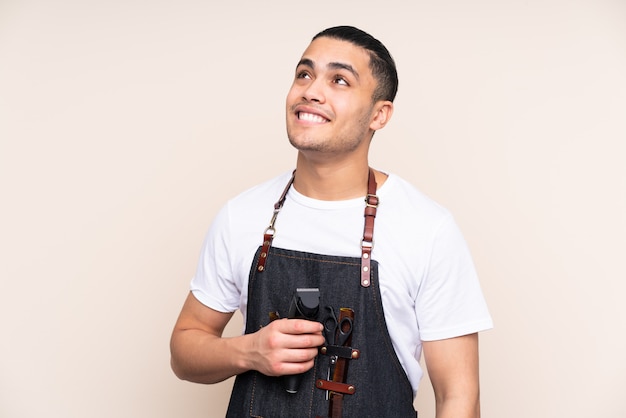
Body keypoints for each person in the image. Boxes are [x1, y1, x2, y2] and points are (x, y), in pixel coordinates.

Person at [170, 25, 493, 418]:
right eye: (304, 74)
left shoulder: (428, 229)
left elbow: (460, 397)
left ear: (379, 114)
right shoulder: (242, 215)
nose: (311, 90)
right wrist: (249, 351)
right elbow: (184, 351)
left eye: (339, 80)